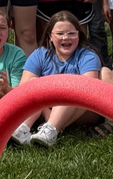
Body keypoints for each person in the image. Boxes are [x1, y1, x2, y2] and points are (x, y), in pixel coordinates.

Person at [10, 11, 101, 147]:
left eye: (71, 33)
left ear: (79, 35)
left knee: (73, 88)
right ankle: (22, 128)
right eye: (60, 33)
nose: (66, 38)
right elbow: (24, 89)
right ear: (50, 36)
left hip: (80, 111)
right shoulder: (40, 55)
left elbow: (88, 91)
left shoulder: (88, 56)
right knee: (32, 83)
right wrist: (47, 112)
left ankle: (51, 129)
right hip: (43, 109)